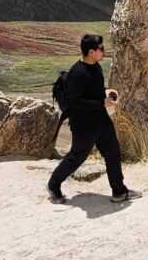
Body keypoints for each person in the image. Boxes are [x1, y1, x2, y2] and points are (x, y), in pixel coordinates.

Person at [47, 34, 141, 204]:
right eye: (101, 48)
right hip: (84, 125)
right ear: (91, 52)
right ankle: (53, 185)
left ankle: (119, 191)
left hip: (101, 121)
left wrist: (107, 93)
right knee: (77, 157)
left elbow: (95, 90)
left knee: (113, 152)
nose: (104, 51)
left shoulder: (95, 67)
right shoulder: (78, 73)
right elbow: (76, 102)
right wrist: (101, 103)